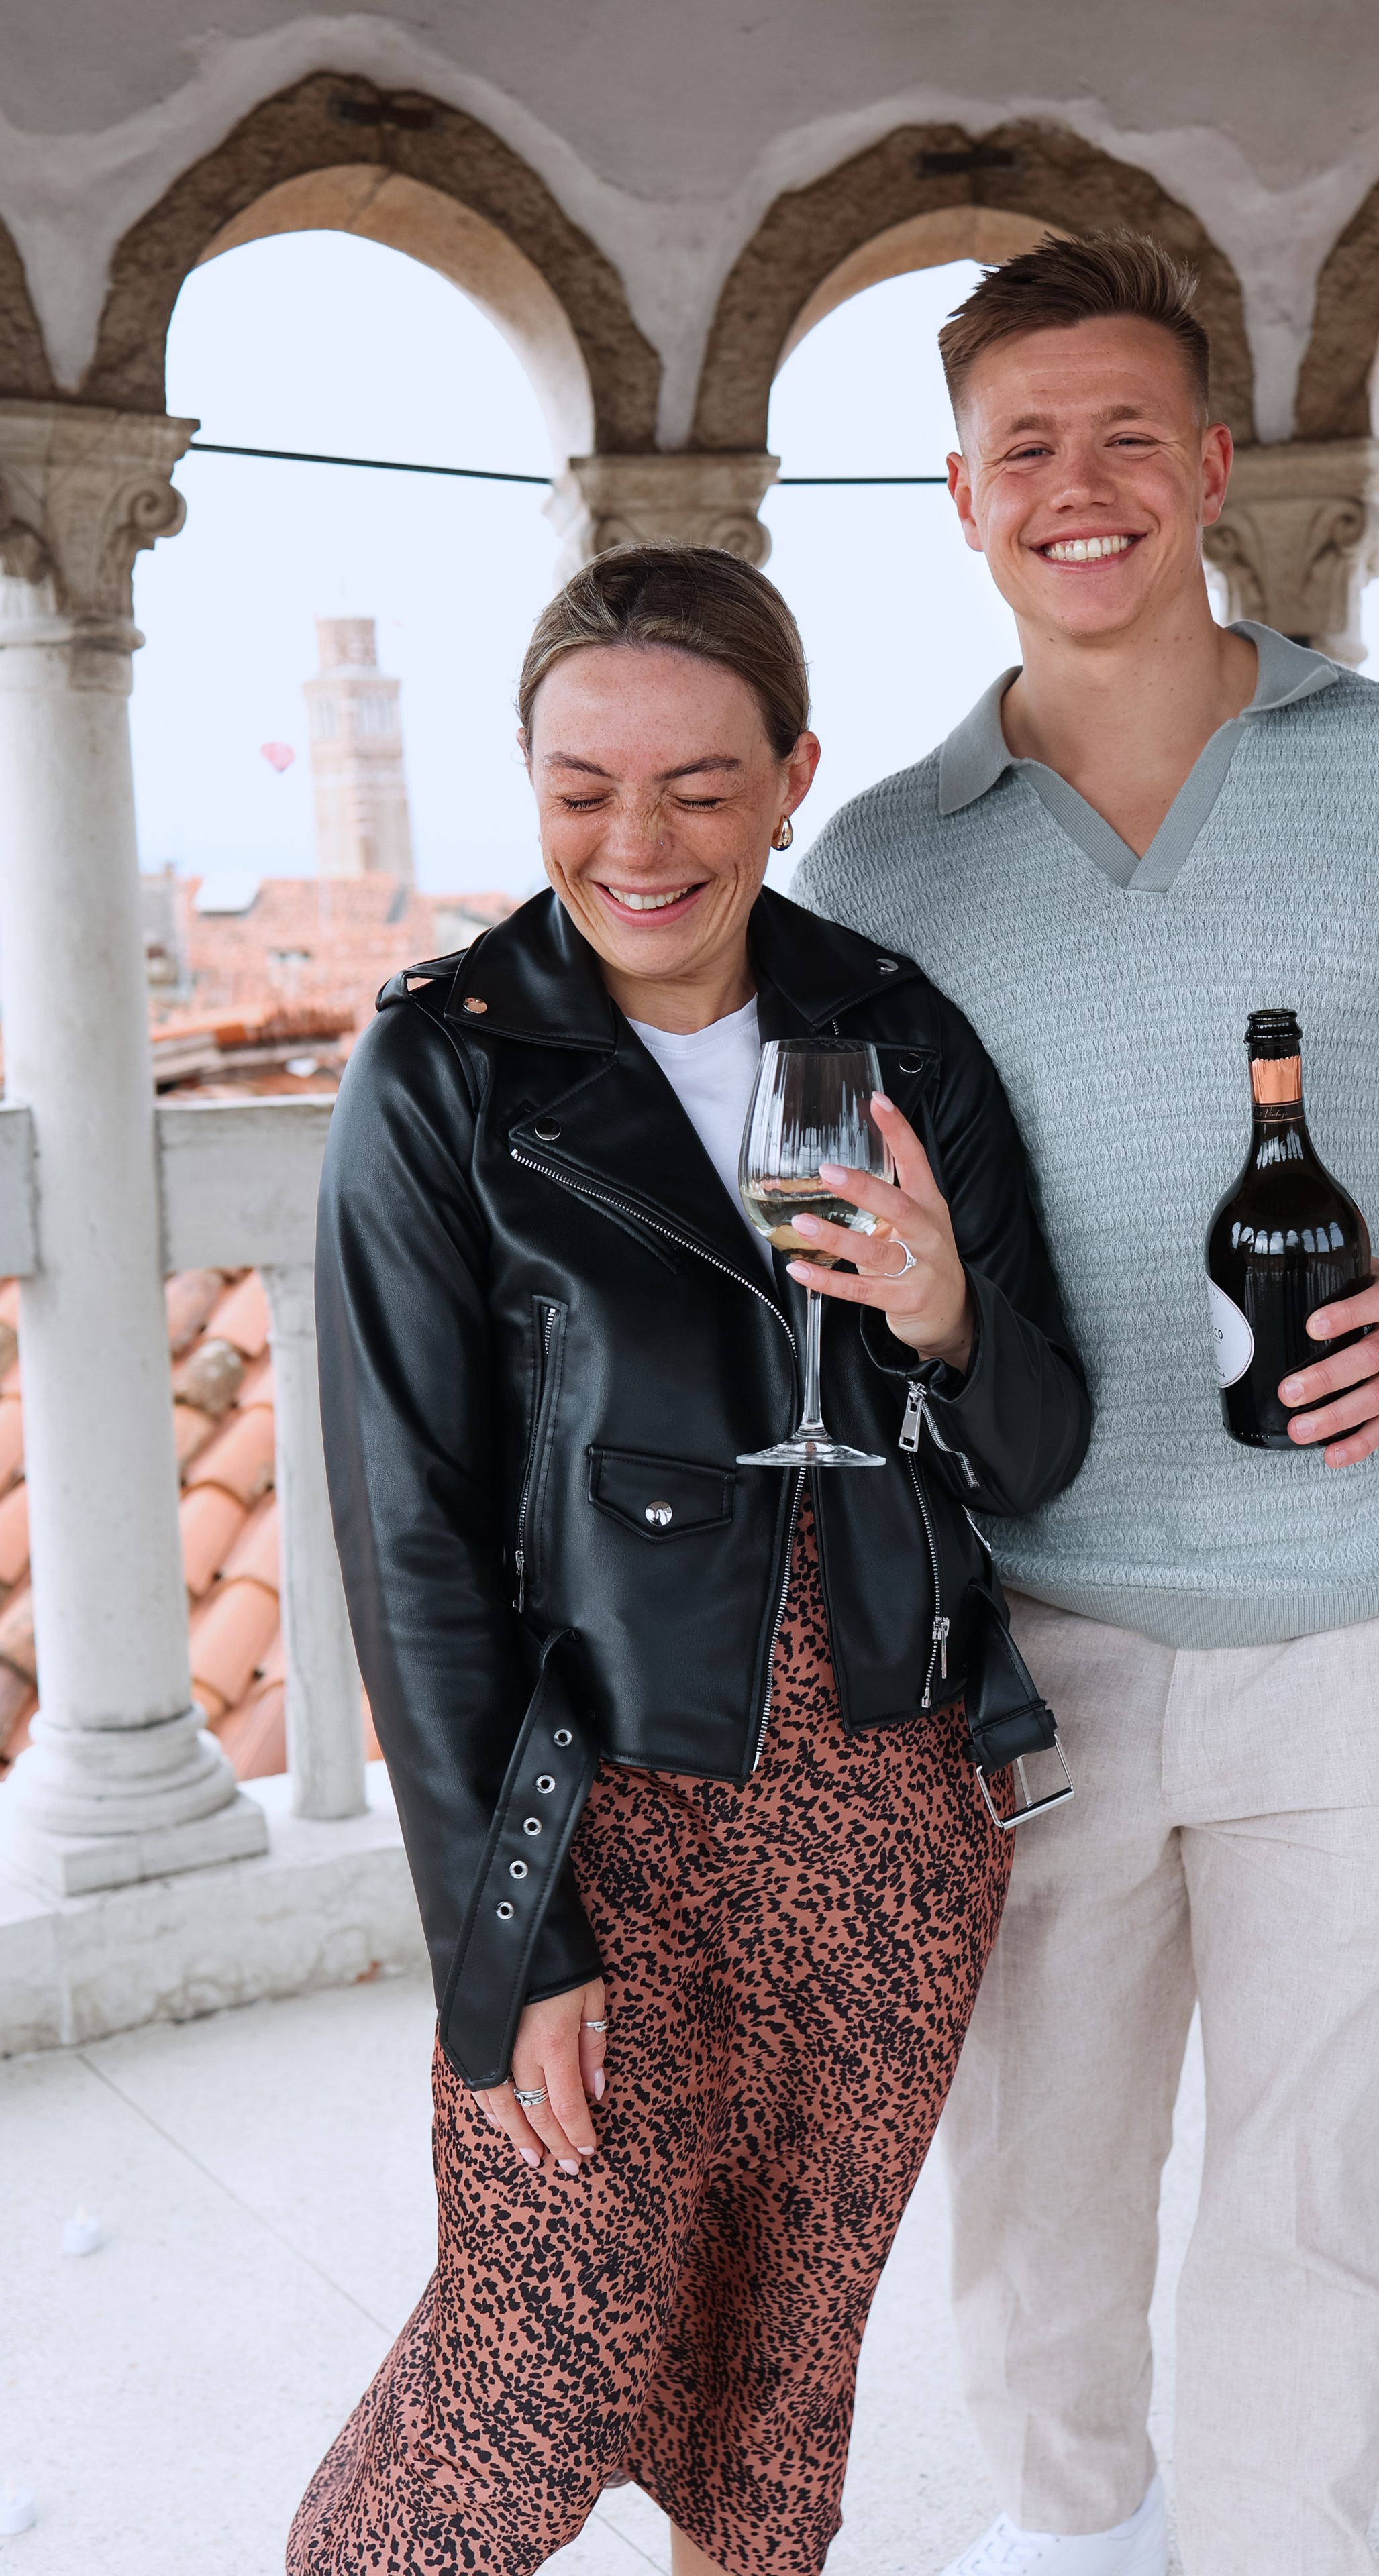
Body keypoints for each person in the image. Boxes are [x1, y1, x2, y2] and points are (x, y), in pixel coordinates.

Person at [794, 233, 1379, 2576]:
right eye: (1022, 449)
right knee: (1039, 2177)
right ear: (958, 496)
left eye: (1122, 436)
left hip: (1371, 1633)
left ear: (1214, 464)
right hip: (1027, 1641)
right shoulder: (877, 860)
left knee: (1312, 2191)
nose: (1078, 489)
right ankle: (1074, 2538)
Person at [289, 544, 1090, 2576]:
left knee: (773, 2383)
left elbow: (1047, 1445)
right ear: (531, 778)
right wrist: (508, 1936)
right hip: (605, 1815)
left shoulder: (891, 1030)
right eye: (581, 787)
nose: (634, 844)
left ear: (794, 773)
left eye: (699, 787)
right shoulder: (446, 1070)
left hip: (886, 1807)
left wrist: (940, 1310)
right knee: (526, 2378)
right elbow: (415, 1539)